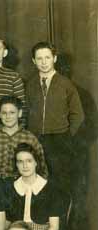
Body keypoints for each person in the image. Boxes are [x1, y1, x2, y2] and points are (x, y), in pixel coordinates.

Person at [4, 143, 65, 230]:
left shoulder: (50, 188)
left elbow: (54, 227)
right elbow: (7, 222)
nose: (25, 166)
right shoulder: (11, 188)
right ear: (16, 165)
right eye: (20, 162)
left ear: (36, 162)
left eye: (29, 161)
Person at [26, 42, 84, 191]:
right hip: (35, 138)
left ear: (55, 59)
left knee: (60, 182)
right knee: (37, 180)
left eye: (47, 57)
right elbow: (24, 111)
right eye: (39, 58)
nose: (44, 62)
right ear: (33, 61)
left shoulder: (66, 84)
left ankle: (60, 214)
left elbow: (78, 114)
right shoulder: (30, 85)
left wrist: (66, 136)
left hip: (60, 141)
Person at [0, 96, 47, 182]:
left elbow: (42, 167)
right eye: (4, 113)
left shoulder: (29, 138)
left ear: (19, 113)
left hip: (21, 182)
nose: (8, 116)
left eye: (12, 112)